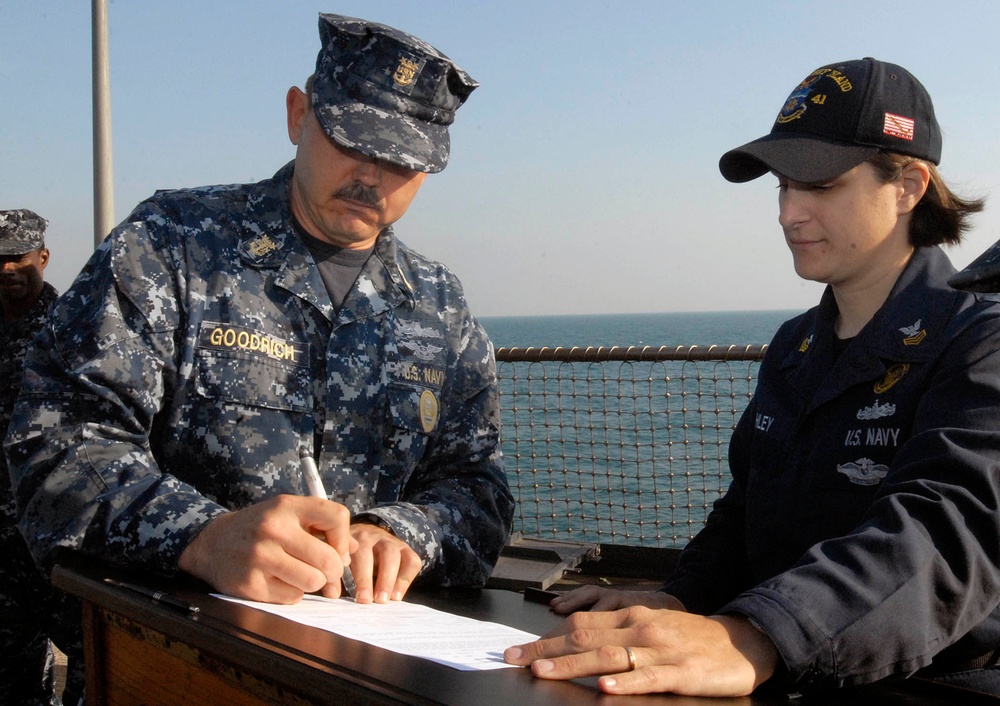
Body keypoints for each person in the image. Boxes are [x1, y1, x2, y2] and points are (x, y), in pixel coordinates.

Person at [505, 57, 1000, 697]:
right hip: (790, 667)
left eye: (820, 187)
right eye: (781, 187)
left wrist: (759, 634)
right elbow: (746, 517)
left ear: (907, 185)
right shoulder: (795, 346)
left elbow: (946, 530)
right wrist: (680, 601)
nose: (788, 213)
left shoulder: (980, 339)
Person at [5, 14, 513, 608]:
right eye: (351, 140)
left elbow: (480, 491)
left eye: (402, 160)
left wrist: (402, 532)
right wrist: (201, 537)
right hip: (177, 648)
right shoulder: (171, 245)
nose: (371, 175)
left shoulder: (439, 306)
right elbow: (57, 440)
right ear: (299, 115)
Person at [0, 209, 84, 705]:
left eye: (17, 258)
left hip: (58, 538)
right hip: (2, 548)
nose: (7, 270)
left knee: (91, 665)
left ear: (43, 257)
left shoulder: (76, 327)